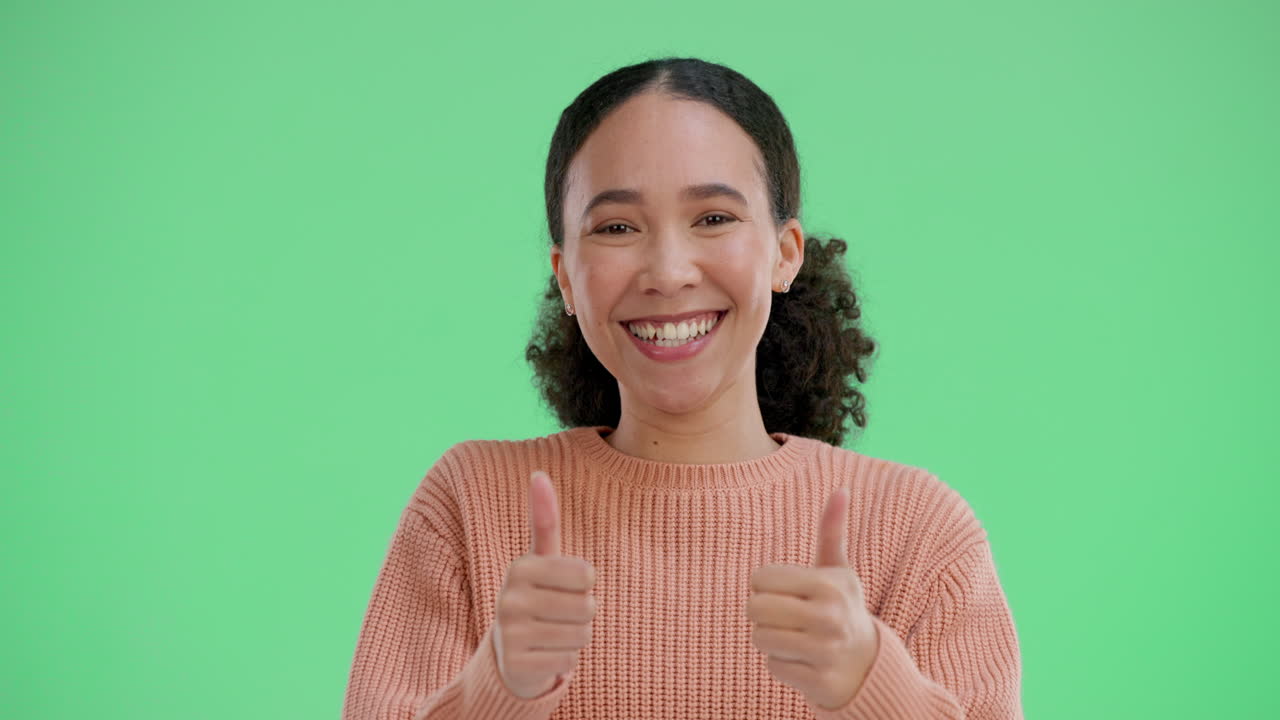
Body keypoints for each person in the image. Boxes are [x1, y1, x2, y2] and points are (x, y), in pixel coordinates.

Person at [341, 56, 1023, 720]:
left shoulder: (921, 535)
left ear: (785, 253)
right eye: (615, 228)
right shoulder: (468, 506)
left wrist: (874, 690)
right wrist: (498, 691)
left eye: (714, 218)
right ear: (567, 277)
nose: (668, 271)